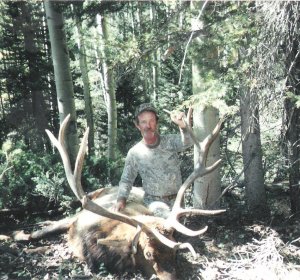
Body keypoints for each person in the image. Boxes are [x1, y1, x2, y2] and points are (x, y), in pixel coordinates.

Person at [115, 103, 193, 216]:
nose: (148, 125)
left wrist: (183, 126)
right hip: (154, 203)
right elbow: (126, 179)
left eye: (151, 121)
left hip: (177, 201)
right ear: (138, 125)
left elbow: (188, 142)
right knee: (164, 224)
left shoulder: (170, 142)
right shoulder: (134, 153)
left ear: (156, 122)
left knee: (179, 231)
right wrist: (121, 199)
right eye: (143, 122)